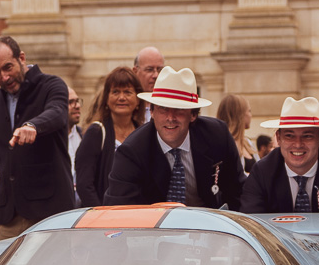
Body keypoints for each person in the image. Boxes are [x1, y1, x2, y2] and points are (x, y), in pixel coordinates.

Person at [0, 36, 73, 241]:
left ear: (21, 58)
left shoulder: (52, 85)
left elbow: (57, 113)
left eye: (8, 68)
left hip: (49, 212)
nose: (3, 77)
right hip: (10, 216)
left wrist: (33, 126)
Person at [102, 66, 244, 210]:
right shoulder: (132, 151)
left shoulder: (217, 136)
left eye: (179, 109)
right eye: (163, 108)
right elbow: (117, 208)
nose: (170, 118)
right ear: (152, 111)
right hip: (153, 228)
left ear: (193, 115)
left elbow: (239, 192)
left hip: (210, 225)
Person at [241, 97, 319, 214]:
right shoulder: (262, 173)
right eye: (289, 135)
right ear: (278, 138)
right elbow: (252, 225)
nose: (298, 144)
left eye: (307, 136)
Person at [74, 66, 144, 207]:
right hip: (102, 218)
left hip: (137, 216)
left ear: (138, 100)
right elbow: (84, 184)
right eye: (115, 92)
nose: (121, 97)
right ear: (106, 98)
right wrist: (102, 215)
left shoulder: (143, 134)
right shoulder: (96, 133)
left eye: (128, 92)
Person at [215, 93, 258, 176]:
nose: (250, 115)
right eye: (249, 111)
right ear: (240, 115)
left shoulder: (248, 143)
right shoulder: (224, 145)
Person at [66, 86, 83, 184]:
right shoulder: (51, 140)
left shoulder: (84, 136)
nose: (77, 106)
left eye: (77, 101)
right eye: (70, 102)